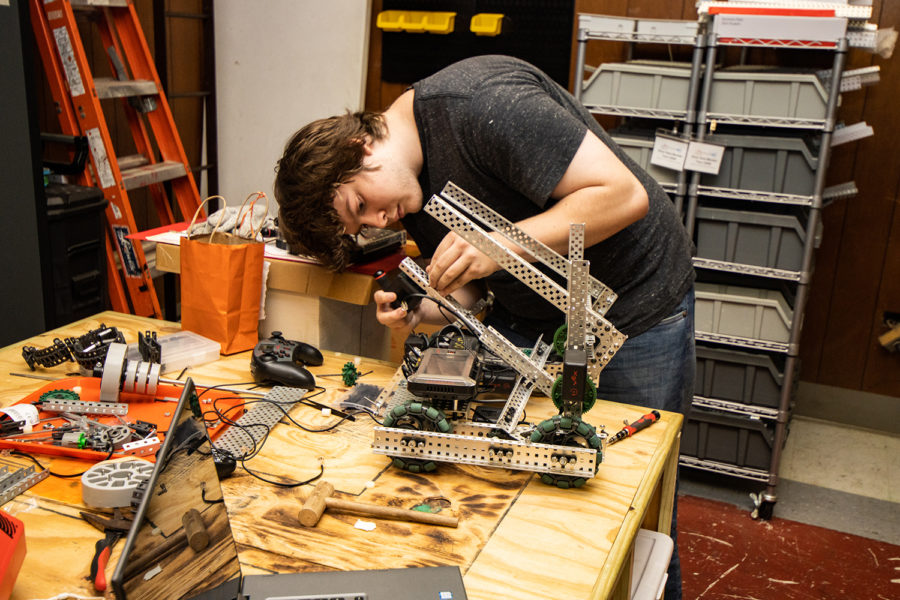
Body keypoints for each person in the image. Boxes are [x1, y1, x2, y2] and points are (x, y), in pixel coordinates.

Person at [275, 54, 693, 599]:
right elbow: (479, 283)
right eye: (363, 225)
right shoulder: (408, 189)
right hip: (537, 319)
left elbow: (623, 195)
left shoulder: (482, 105)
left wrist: (499, 244)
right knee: (549, 509)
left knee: (637, 512)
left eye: (361, 204)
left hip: (636, 307)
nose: (380, 222)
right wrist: (429, 308)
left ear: (361, 148)